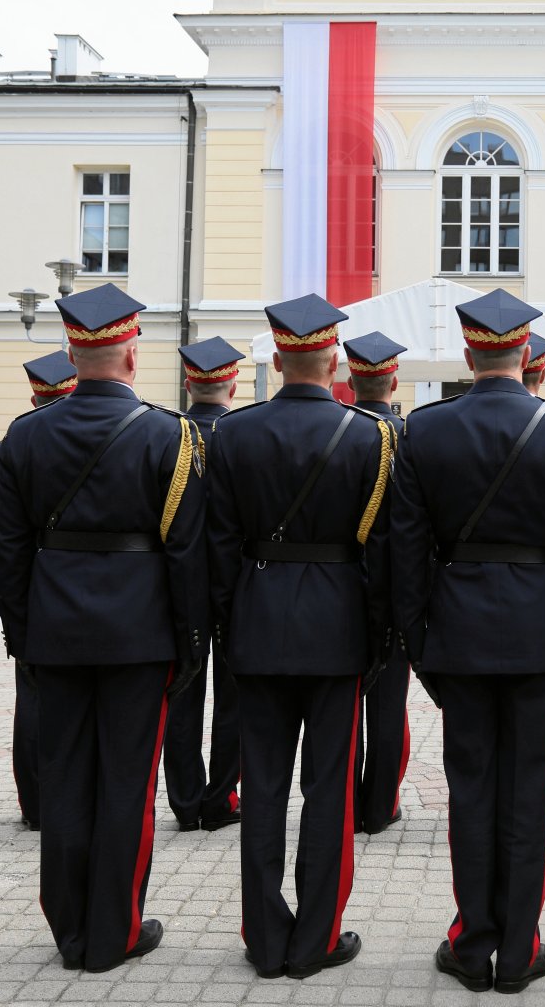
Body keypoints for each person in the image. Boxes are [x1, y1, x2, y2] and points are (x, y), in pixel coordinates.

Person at [390, 289, 545, 994]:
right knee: (525, 798)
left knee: (470, 792)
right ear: (524, 351)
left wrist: (419, 642)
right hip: (541, 635)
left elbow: (407, 550)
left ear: (468, 350)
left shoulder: (424, 430)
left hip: (458, 633)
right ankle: (519, 948)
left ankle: (473, 937)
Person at [0, 284, 207, 973]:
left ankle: (69, 927)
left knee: (64, 780)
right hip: (139, 637)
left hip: (54, 632)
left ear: (72, 353)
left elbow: (9, 548)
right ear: (132, 356)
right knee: (126, 784)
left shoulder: (25, 435)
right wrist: (189, 641)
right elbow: (184, 551)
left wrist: (23, 634)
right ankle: (114, 928)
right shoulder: (168, 433)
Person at [206, 297, 390, 978]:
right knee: (329, 789)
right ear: (336, 361)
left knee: (264, 790)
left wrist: (229, 621)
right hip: (337, 626)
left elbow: (217, 546)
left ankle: (264, 933)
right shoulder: (370, 436)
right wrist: (377, 637)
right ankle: (316, 936)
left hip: (259, 620)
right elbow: (381, 553)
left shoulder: (234, 434)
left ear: (277, 360)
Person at [164, 336, 246, 834]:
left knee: (183, 690)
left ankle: (184, 799)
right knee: (234, 696)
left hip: (181, 583)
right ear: (233, 382)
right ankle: (221, 798)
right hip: (236, 582)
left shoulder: (169, 433)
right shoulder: (242, 434)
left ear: (190, 383)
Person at [3, 350, 81, 833]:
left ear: (35, 395)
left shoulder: (21, 437)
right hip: (113, 596)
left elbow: (4, 537)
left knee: (32, 701)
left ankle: (34, 801)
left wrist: (11, 616)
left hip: (38, 589)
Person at [344, 330, 410, 834]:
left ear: (350, 380)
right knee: (388, 704)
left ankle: (344, 801)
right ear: (393, 379)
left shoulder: (343, 430)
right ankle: (380, 804)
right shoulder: (407, 436)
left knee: (344, 708)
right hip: (394, 587)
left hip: (340, 585)